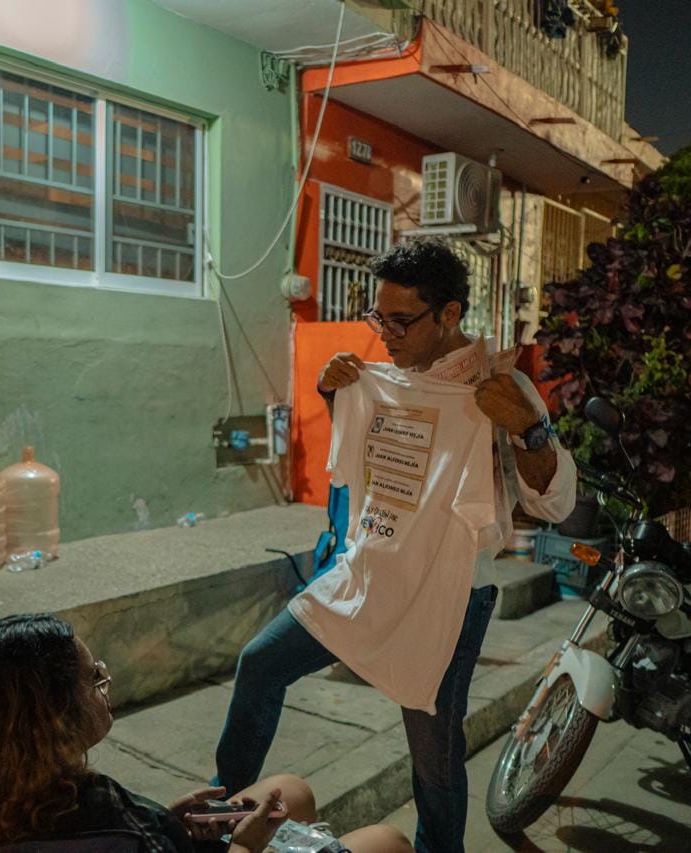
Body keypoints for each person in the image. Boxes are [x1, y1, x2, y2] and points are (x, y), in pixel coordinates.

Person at [213, 241, 577, 853]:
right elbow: (366, 460)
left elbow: (555, 505)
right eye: (378, 318)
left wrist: (527, 427)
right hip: (365, 572)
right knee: (259, 663)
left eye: (401, 321)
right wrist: (338, 395)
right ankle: (220, 819)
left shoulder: (499, 388)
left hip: (447, 591)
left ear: (450, 313)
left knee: (434, 757)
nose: (386, 335)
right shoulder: (383, 376)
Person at [0, 613, 412, 853]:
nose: (105, 680)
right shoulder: (109, 822)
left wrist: (168, 821)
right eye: (92, 678)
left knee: (291, 790)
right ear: (53, 720)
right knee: (387, 841)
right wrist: (244, 845)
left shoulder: (0, 804)